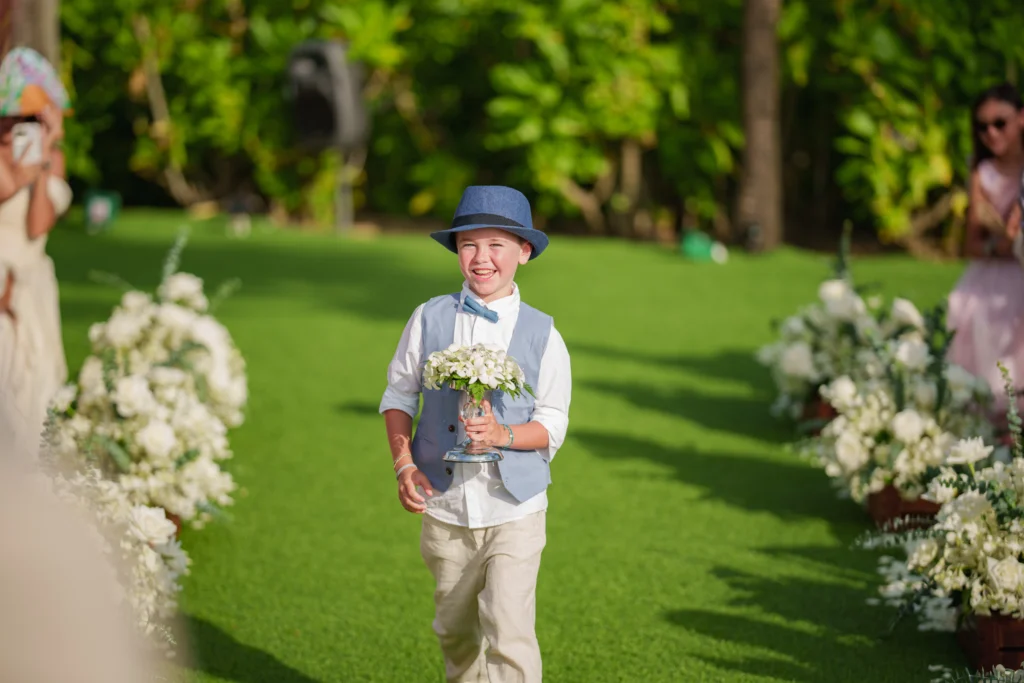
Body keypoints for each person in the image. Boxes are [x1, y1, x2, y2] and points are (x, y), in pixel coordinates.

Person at [379, 186, 571, 683]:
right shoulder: (428, 317)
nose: (481, 258)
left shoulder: (544, 334)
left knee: (510, 632)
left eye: (496, 245)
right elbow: (399, 396)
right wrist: (404, 465)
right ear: (457, 251)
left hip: (516, 508)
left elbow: (552, 423)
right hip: (444, 508)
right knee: (455, 633)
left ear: (523, 252)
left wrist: (503, 434)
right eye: (469, 245)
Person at [948, 83, 1024, 422]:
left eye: (999, 123)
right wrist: (1001, 245)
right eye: (982, 126)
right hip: (994, 274)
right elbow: (970, 245)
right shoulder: (983, 173)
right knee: (978, 314)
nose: (991, 133)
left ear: (1021, 118)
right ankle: (997, 421)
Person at [0, 102, 72, 446]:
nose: (12, 122)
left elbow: (38, 224)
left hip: (34, 283)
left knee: (37, 385)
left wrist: (42, 159)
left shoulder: (51, 158)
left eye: (22, 116)